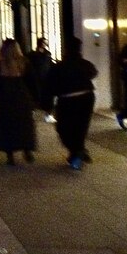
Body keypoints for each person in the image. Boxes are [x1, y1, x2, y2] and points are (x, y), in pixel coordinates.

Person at [45, 37, 98, 170]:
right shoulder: (84, 64)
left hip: (67, 99)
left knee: (64, 128)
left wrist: (48, 105)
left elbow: (50, 86)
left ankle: (76, 152)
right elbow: (93, 72)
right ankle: (78, 152)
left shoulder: (60, 66)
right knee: (80, 127)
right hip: (86, 97)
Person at [0, 38, 37, 165]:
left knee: (7, 126)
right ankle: (27, 149)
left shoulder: (0, 64)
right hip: (22, 97)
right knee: (24, 124)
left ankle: (10, 155)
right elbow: (32, 81)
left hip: (5, 98)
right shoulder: (24, 63)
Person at [27, 37, 56, 123]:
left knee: (47, 96)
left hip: (46, 77)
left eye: (46, 43)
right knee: (35, 96)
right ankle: (31, 112)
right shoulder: (32, 55)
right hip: (36, 78)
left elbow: (50, 64)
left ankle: (48, 114)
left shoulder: (47, 54)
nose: (45, 44)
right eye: (44, 42)